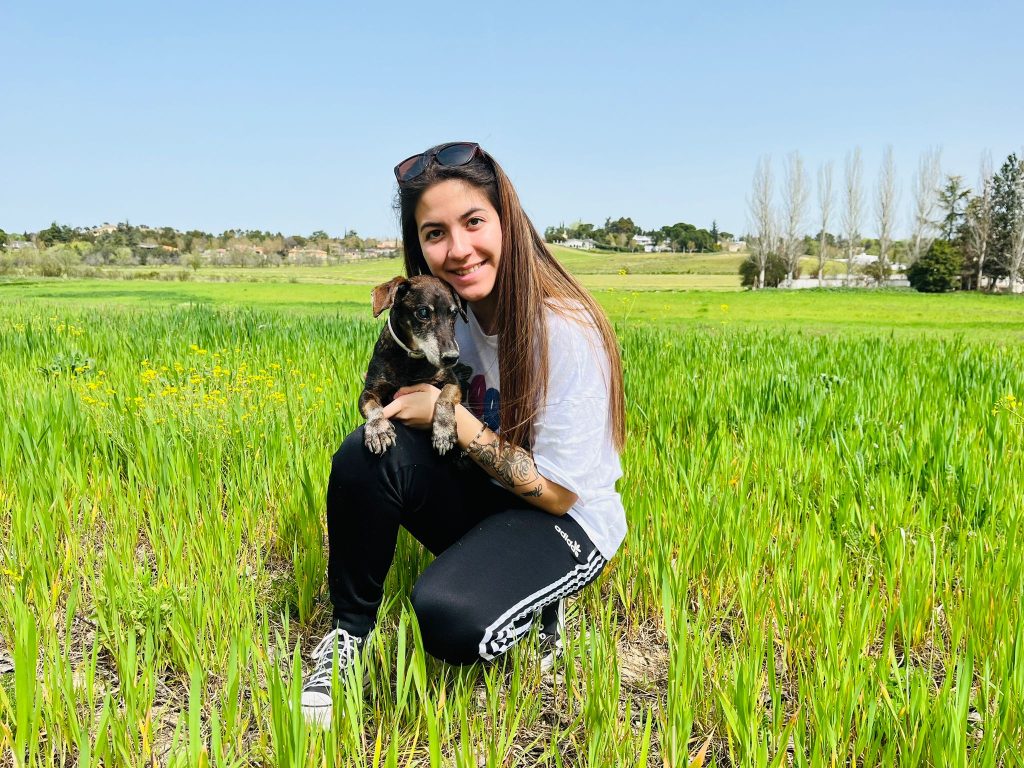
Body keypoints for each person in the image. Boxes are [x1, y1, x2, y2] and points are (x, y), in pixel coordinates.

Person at [301, 142, 627, 726]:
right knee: (364, 453)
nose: (457, 249)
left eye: (473, 221)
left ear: (508, 220)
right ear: (419, 246)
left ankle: (542, 610)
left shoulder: (565, 330)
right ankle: (348, 638)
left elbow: (558, 493)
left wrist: (454, 418)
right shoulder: (445, 312)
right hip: (489, 493)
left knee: (449, 619)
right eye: (434, 233)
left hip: (563, 520)